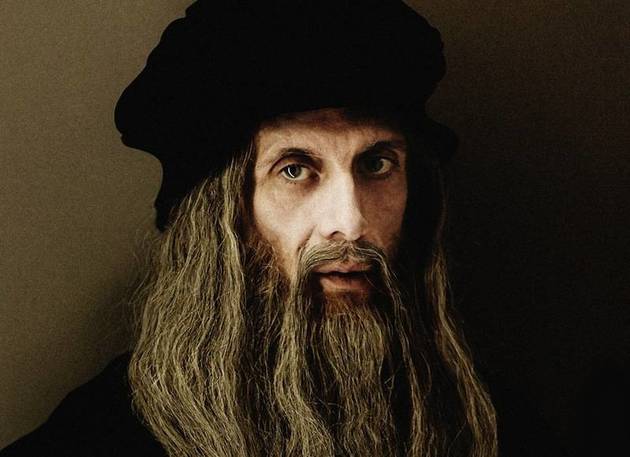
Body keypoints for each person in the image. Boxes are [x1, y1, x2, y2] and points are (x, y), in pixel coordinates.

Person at [1, 1, 500, 456]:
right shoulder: (99, 439)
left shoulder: (482, 422)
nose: (350, 223)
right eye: (294, 170)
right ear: (218, 220)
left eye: (376, 164)